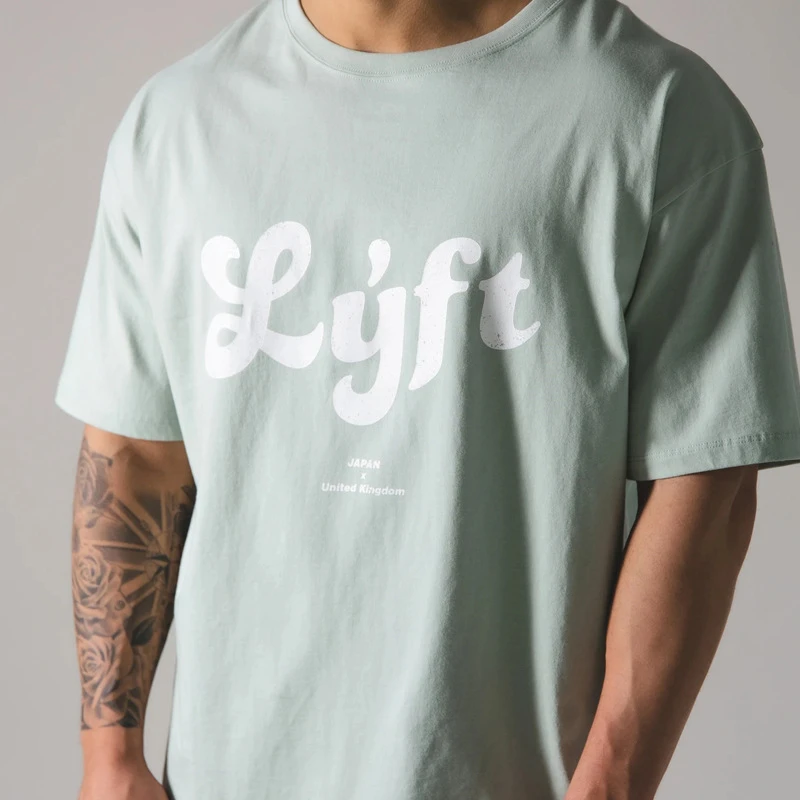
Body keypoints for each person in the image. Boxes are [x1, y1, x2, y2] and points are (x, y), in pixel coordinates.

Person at [57, 0, 800, 798]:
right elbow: (134, 458)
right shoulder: (177, 123)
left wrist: (613, 780)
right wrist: (110, 759)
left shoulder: (656, 112)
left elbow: (707, 485)